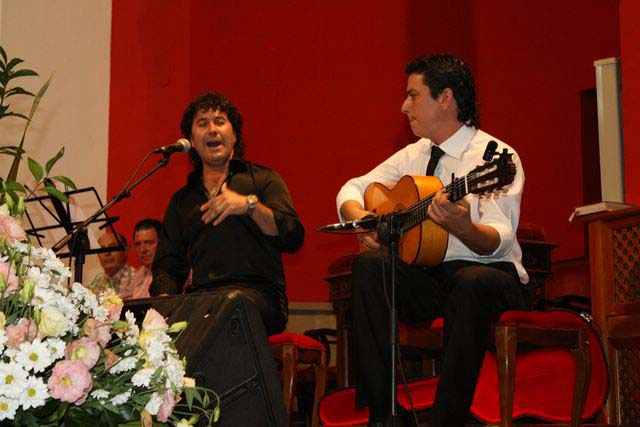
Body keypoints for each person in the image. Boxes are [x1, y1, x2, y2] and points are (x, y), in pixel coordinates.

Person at [336, 54, 531, 427]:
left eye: (413, 95)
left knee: (469, 282)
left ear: (445, 98)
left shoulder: (494, 157)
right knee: (368, 266)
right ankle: (383, 415)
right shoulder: (415, 154)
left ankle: (448, 419)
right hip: (434, 275)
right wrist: (363, 218)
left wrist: (463, 226)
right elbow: (353, 187)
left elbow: (499, 242)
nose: (403, 106)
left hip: (491, 275)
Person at [150, 91, 304, 336]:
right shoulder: (182, 200)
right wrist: (163, 306)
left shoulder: (264, 180)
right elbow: (168, 266)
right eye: (202, 124)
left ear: (234, 135)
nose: (212, 129)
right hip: (203, 301)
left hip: (260, 297)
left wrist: (248, 206)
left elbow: (292, 235)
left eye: (220, 121)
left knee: (231, 305)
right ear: (191, 139)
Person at [96, 231, 137, 299]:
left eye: (112, 248)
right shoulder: (97, 285)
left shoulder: (136, 279)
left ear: (125, 251)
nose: (107, 253)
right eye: (102, 249)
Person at [130, 218, 163, 299]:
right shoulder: (138, 276)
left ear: (163, 243)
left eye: (149, 243)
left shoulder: (177, 273)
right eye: (138, 244)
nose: (143, 249)